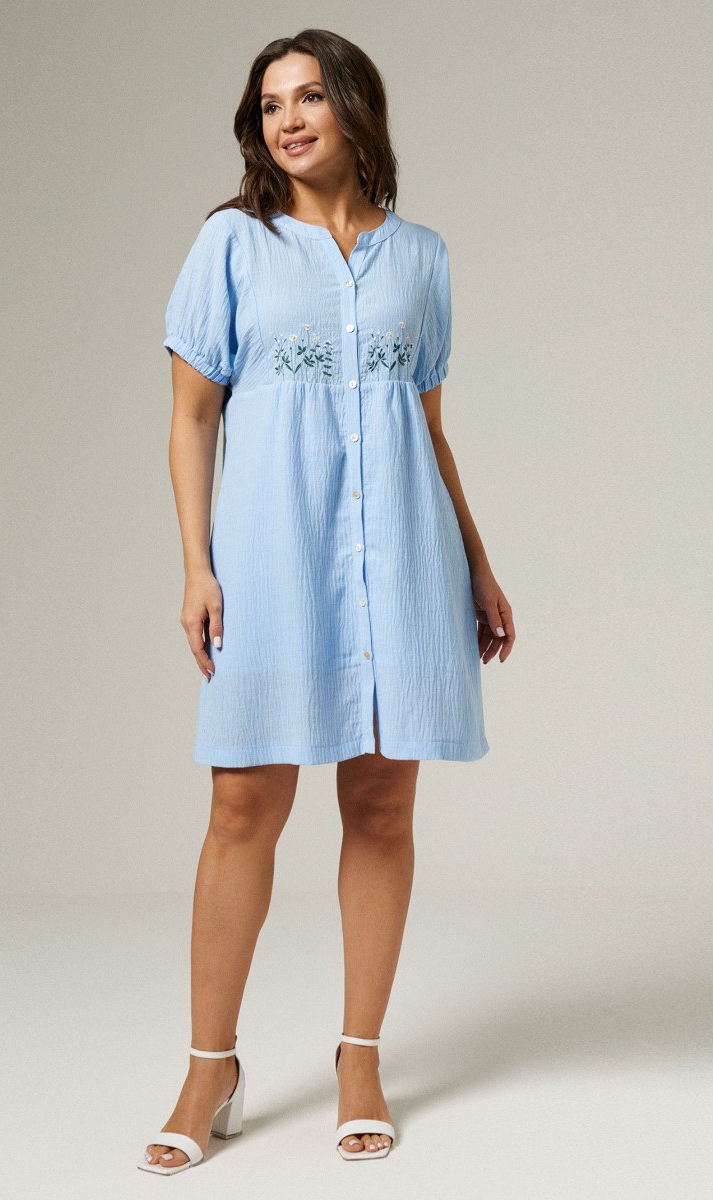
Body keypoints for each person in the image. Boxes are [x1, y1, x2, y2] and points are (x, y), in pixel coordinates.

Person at [139, 28, 515, 1175]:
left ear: (355, 107)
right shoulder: (232, 245)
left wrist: (476, 562)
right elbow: (191, 417)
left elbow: (427, 431)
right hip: (271, 558)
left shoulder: (421, 259)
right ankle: (209, 1067)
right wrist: (196, 565)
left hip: (403, 560)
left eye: (308, 97)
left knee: (382, 809)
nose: (288, 120)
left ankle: (359, 1056)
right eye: (269, 105)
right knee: (241, 806)